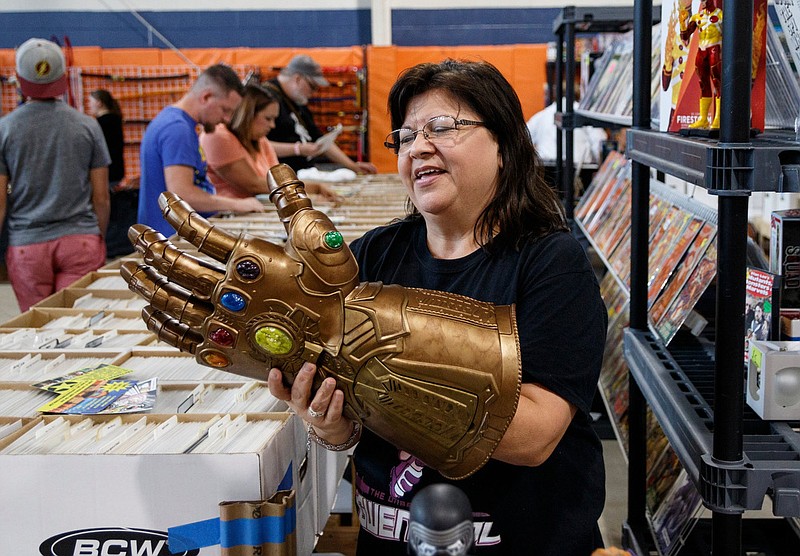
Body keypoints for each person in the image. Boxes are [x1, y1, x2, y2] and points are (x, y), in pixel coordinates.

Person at [268, 59, 608, 554]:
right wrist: (331, 421)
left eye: (443, 127)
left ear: (506, 147)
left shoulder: (551, 264)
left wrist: (369, 379)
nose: (418, 146)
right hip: (390, 537)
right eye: (405, 137)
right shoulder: (371, 257)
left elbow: (534, 436)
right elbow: (348, 426)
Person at [0, 38, 110, 311]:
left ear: (19, 79)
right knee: (81, 328)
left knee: (38, 329)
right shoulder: (88, 127)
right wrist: (97, 236)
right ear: (62, 77)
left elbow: (0, 203)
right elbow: (102, 198)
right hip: (80, 241)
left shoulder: (5, 130)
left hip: (27, 246)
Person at [138, 64, 264, 237]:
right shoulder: (177, 129)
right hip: (171, 239)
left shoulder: (178, 124)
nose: (226, 119)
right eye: (225, 110)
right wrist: (237, 204)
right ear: (206, 97)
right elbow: (183, 194)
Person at [199, 84, 341, 202]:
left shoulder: (260, 141)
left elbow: (279, 180)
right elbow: (254, 184)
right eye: (268, 119)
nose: (272, 125)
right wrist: (312, 188)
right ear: (248, 115)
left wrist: (307, 193)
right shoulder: (218, 137)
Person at [264, 54, 378, 175]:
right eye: (312, 87)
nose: (313, 93)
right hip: (281, 176)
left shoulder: (297, 101)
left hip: (302, 173)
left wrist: (352, 166)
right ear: (297, 79)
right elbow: (256, 144)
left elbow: (321, 140)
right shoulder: (265, 97)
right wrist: (298, 149)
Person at [88, 89, 137, 258]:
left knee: (103, 204)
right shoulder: (114, 120)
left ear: (99, 102)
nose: (90, 105)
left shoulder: (100, 124)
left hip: (104, 172)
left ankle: (105, 242)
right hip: (115, 170)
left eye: (91, 101)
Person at [680, 0, 722, 129]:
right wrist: (682, 23)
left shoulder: (720, 15)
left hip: (715, 49)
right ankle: (703, 118)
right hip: (702, 52)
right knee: (703, 84)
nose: (702, 2)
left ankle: (719, 118)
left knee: (717, 83)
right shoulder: (697, 16)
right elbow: (685, 36)